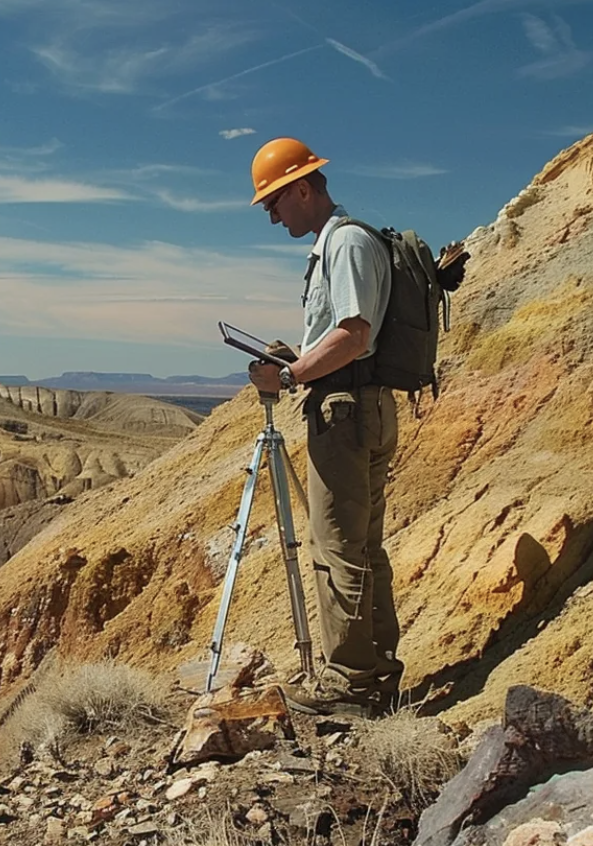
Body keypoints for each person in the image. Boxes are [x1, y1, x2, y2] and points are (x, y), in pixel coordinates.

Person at [246, 137, 403, 718]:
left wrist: (290, 375)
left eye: (274, 203)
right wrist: (299, 358)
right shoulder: (342, 244)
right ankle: (375, 672)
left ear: (303, 190)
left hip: (346, 415)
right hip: (359, 407)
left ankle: (349, 684)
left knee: (336, 549)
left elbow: (354, 335)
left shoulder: (346, 243)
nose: (272, 217)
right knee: (361, 547)